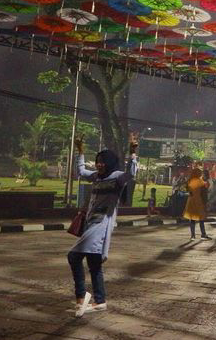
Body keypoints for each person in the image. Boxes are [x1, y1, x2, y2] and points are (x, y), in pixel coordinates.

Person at [68, 135, 138, 317]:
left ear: (109, 163)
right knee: (94, 264)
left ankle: (81, 297)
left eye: (102, 162)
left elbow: (131, 174)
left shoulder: (116, 177)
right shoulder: (97, 177)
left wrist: (133, 153)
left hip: (101, 224)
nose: (99, 165)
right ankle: (100, 301)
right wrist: (81, 152)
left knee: (73, 256)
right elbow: (81, 171)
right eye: (97, 162)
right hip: (91, 222)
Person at [183, 167, 211, 240]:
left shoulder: (190, 181)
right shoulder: (200, 182)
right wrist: (206, 202)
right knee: (201, 219)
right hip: (199, 201)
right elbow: (204, 193)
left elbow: (188, 189)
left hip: (191, 201)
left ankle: (193, 236)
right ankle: (203, 234)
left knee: (192, 218)